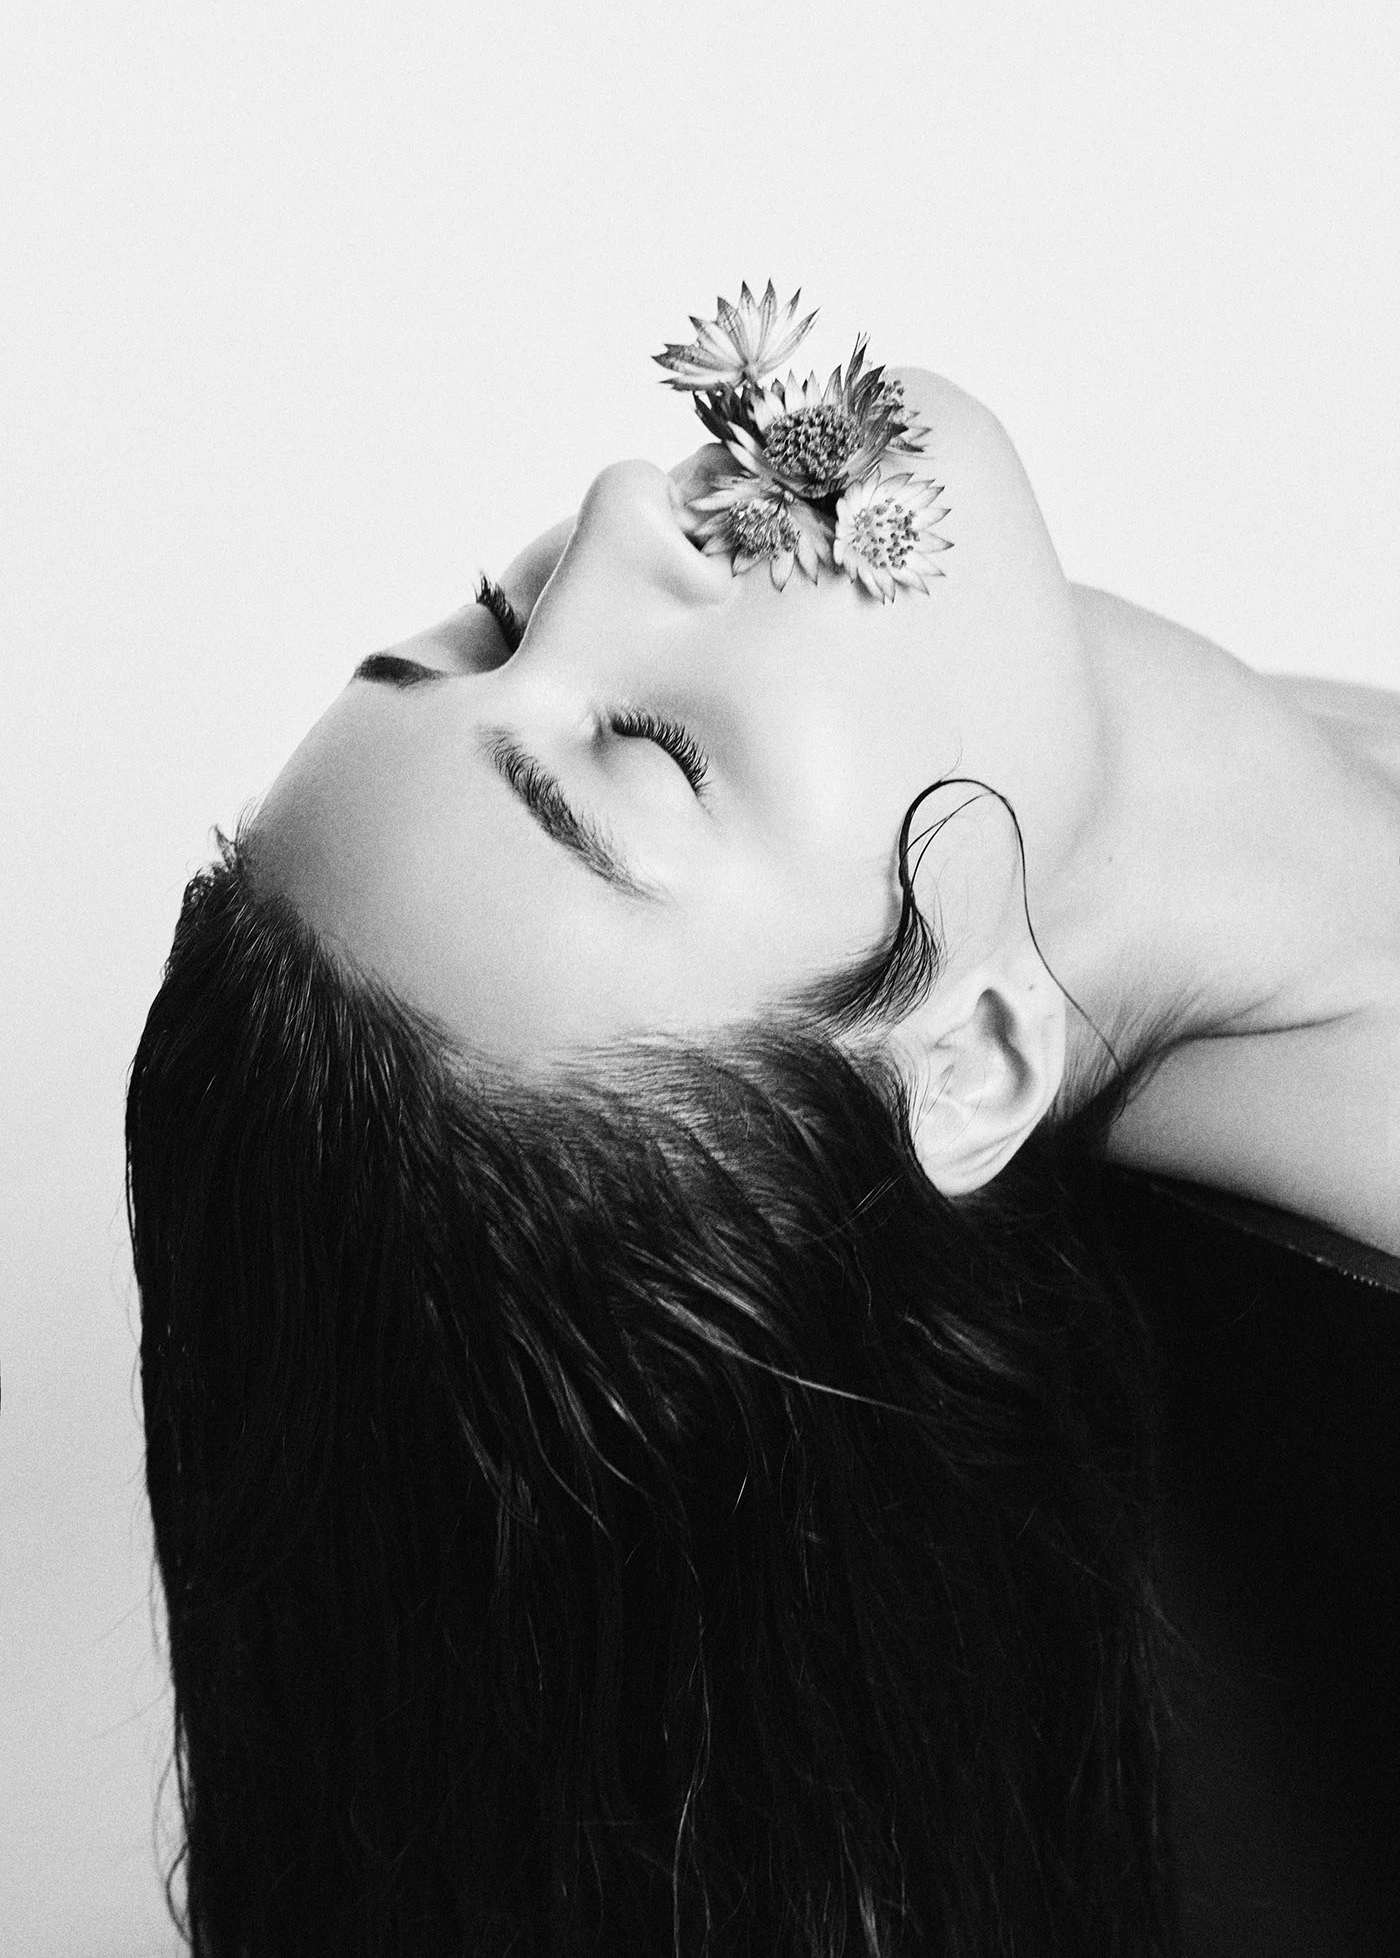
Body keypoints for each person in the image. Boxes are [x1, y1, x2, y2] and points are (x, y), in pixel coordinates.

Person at [126, 292, 1399, 1956]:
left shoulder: (1184, 787)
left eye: (495, 626)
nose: (615, 517)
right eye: (650, 754)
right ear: (968, 1064)